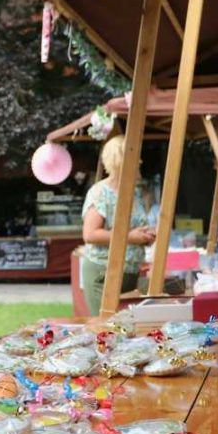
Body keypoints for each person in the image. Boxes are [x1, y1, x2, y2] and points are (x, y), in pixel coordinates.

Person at [80, 135, 155, 317]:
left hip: (129, 273)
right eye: (135, 157)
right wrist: (131, 237)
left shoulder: (135, 192)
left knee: (123, 332)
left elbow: (135, 227)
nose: (140, 162)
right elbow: (90, 235)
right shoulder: (100, 192)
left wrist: (147, 235)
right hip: (103, 273)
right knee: (108, 330)